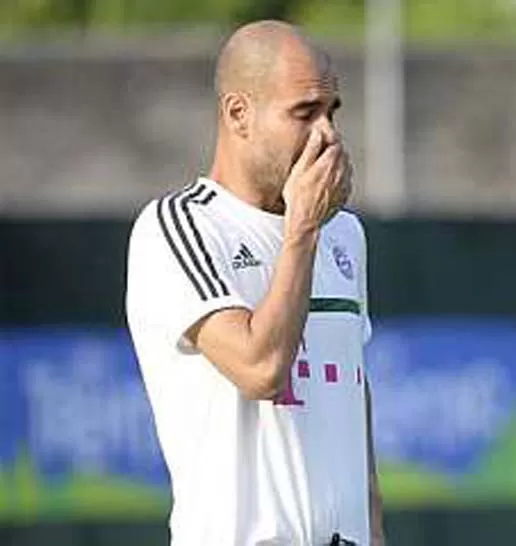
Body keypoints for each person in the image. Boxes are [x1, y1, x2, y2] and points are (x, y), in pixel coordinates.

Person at [125, 19, 384, 546]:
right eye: (304, 113)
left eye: (331, 112)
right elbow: (261, 369)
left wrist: (375, 531)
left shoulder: (344, 234)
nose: (327, 134)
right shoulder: (178, 227)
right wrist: (303, 230)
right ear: (238, 114)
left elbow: (353, 399)